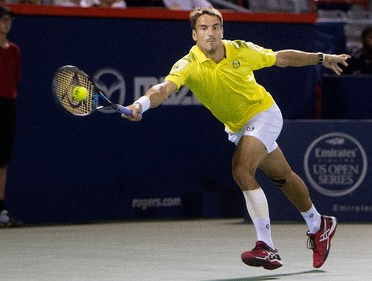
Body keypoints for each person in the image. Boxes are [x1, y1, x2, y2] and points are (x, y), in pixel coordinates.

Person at [123, 7, 349, 270]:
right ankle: (319, 224)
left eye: (215, 27)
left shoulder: (241, 50)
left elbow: (282, 58)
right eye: (204, 28)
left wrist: (321, 57)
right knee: (283, 176)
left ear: (222, 30)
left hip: (264, 114)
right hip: (239, 128)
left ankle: (266, 246)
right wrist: (141, 105)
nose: (211, 33)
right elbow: (163, 89)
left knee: (241, 168)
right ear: (194, 35)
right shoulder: (188, 64)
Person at [0, 6, 22, 227]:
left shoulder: (14, 50)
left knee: (2, 162)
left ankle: (0, 211)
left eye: (9, 20)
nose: (7, 23)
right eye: (3, 19)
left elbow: (14, 79)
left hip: (7, 107)